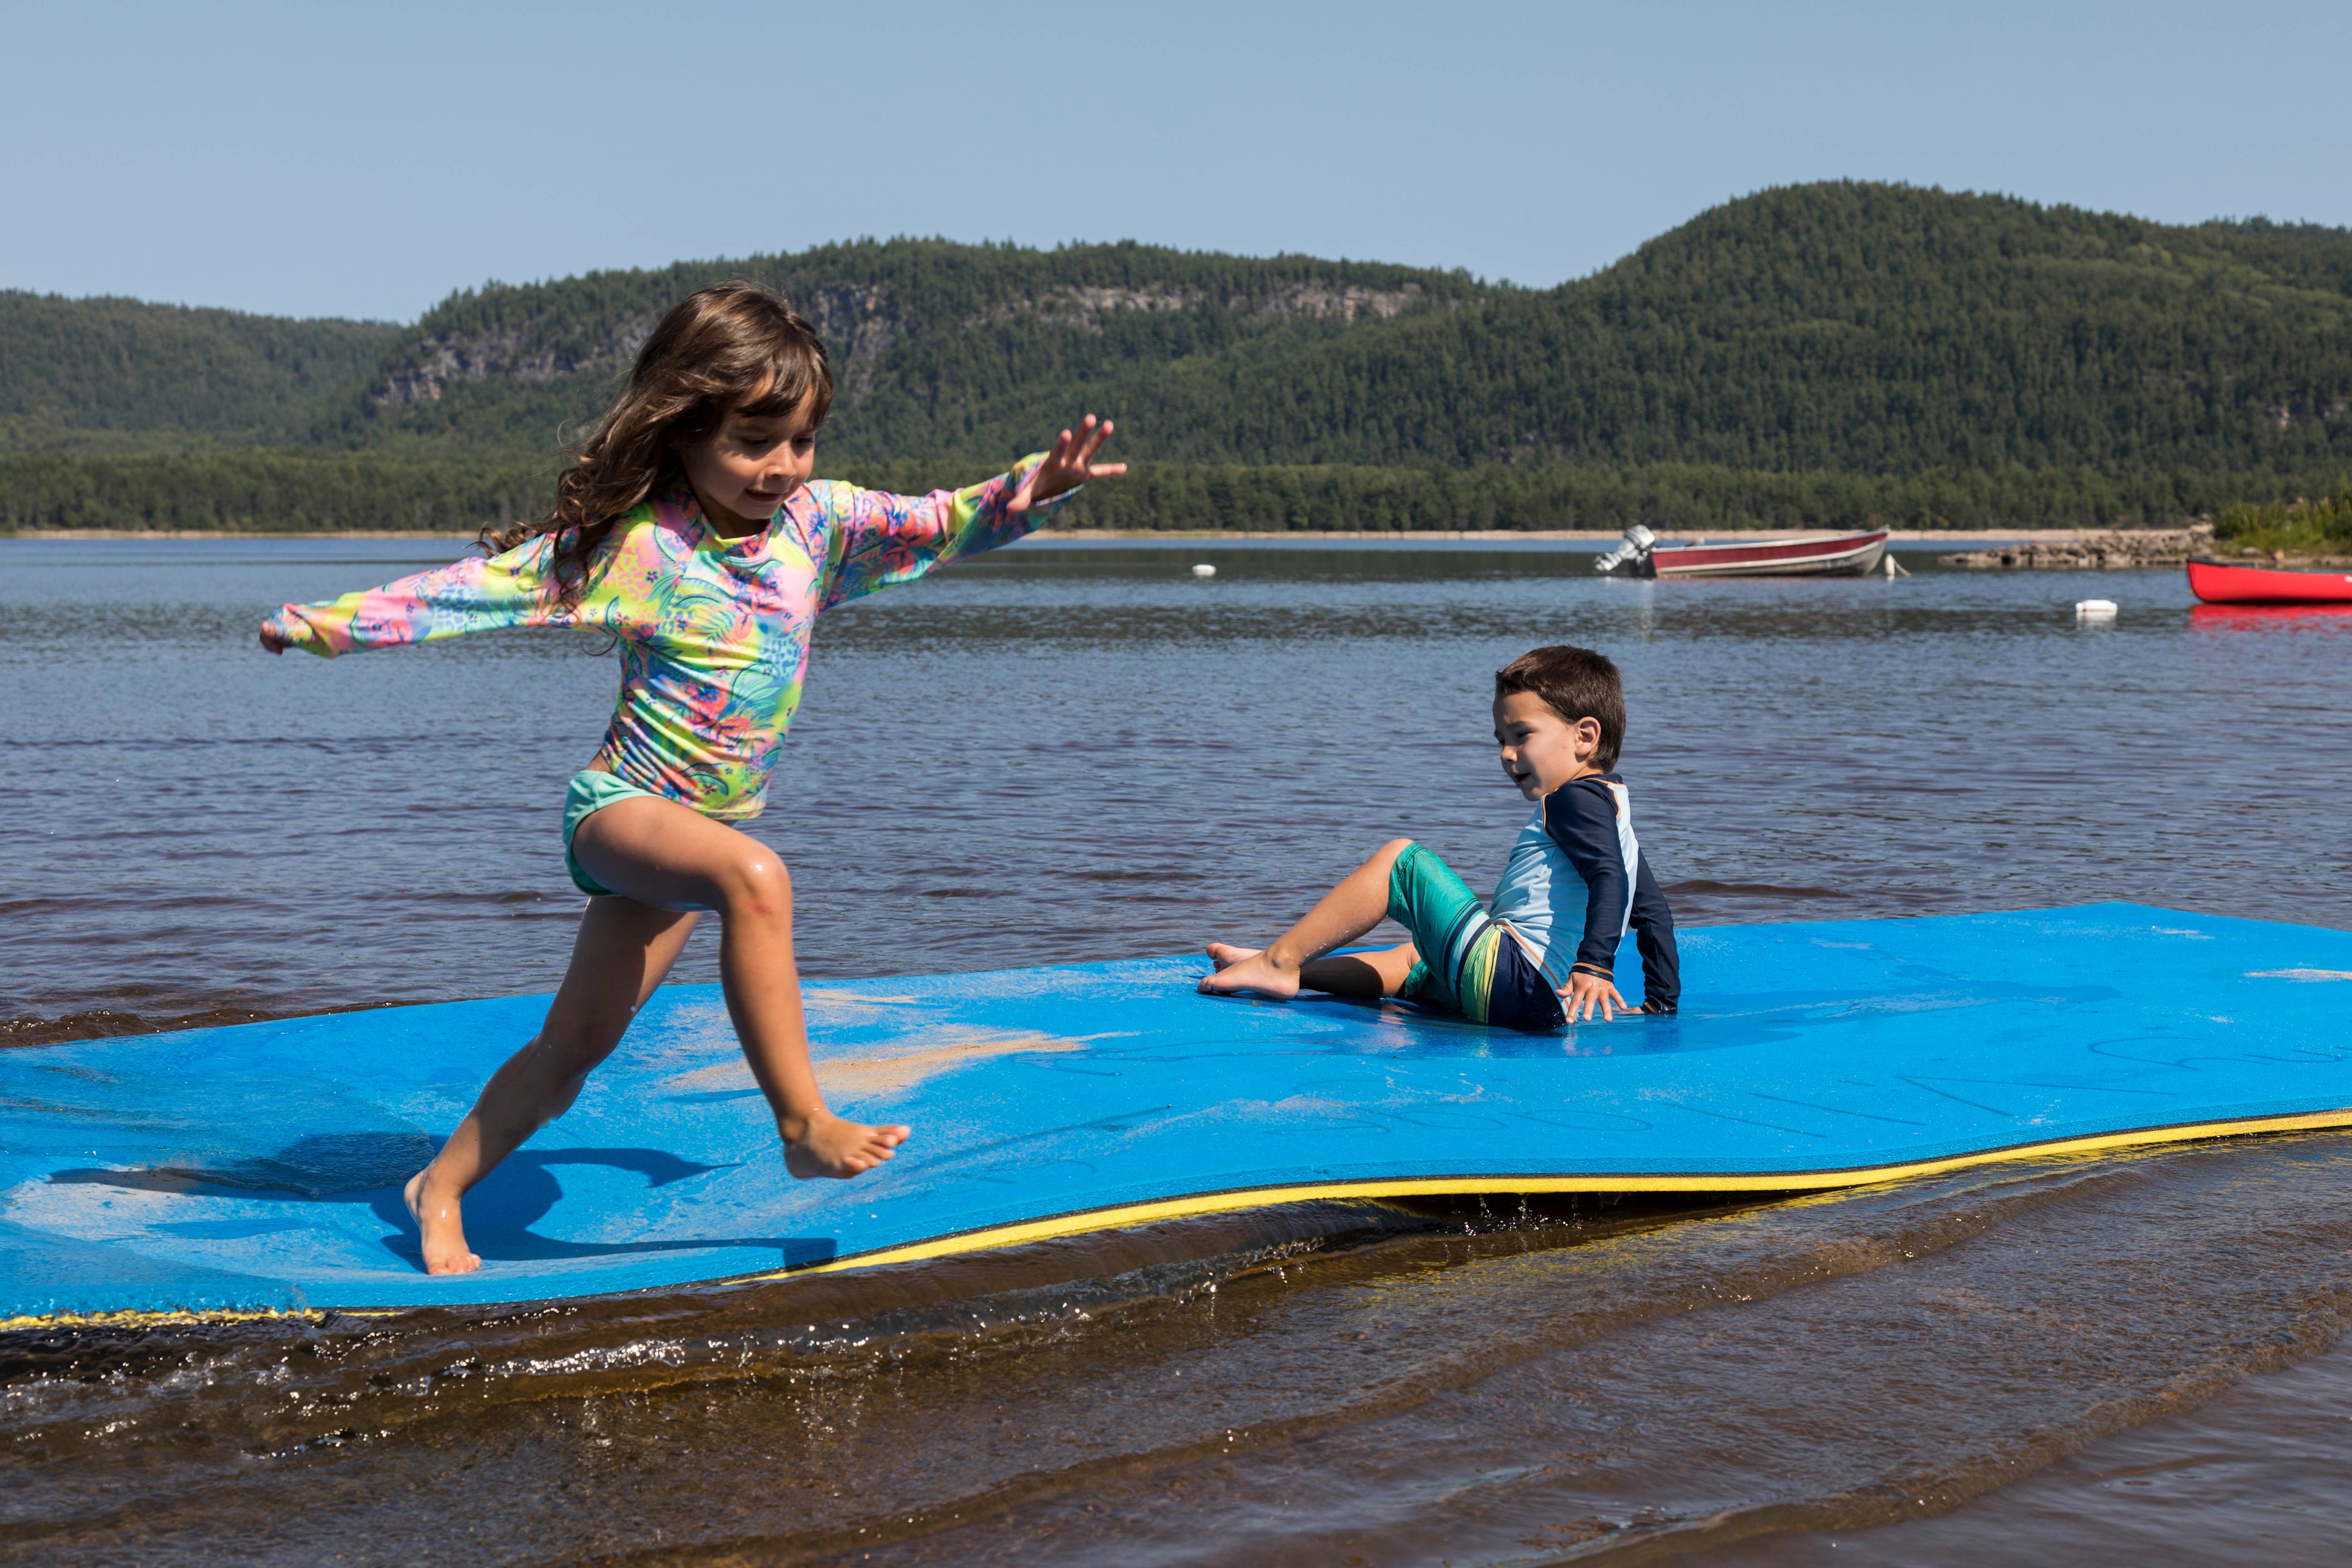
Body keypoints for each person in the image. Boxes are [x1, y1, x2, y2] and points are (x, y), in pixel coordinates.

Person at [258, 282, 1123, 1275]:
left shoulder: (819, 526)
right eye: (755, 442)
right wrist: (321, 625)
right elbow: (468, 594)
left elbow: (943, 519)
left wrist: (1036, 486)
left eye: (800, 441)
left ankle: (438, 1189)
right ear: (684, 431)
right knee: (756, 879)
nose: (782, 466)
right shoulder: (635, 547)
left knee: (573, 1052)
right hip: (623, 811)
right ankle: (802, 1122)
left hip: (695, 838)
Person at [1198, 645, 1678, 1028]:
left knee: (1401, 862)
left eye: (1521, 735)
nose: (1507, 755)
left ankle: (1280, 962)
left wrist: (1595, 967)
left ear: (1585, 736)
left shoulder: (1571, 800)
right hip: (1541, 1005)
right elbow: (1651, 908)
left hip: (1516, 981)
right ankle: (1279, 968)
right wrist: (1661, 1001)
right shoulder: (1616, 812)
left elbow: (1609, 877)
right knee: (1414, 958)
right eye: (1500, 740)